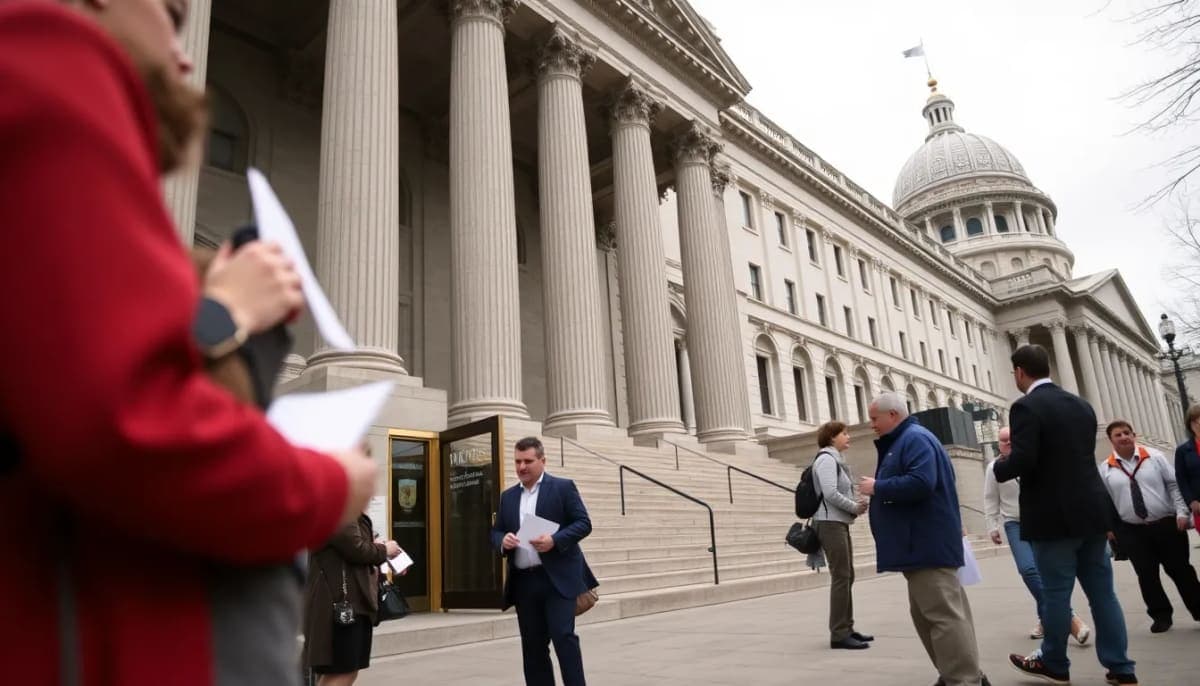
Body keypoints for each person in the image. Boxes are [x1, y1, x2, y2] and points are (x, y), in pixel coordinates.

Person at [0, 2, 377, 684]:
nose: (185, 53)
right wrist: (329, 482)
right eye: (172, 14)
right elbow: (124, 426)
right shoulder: (44, 54)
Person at [994, 345, 1137, 685]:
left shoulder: (1025, 407)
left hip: (1053, 517)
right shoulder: (1082, 406)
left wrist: (1001, 467)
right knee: (1104, 594)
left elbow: (1025, 459)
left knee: (1056, 593)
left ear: (1019, 372)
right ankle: (1121, 667)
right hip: (1091, 512)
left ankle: (1055, 662)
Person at [859, 393, 984, 686]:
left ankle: (963, 679)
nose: (871, 425)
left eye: (875, 418)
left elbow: (921, 482)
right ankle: (959, 674)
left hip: (926, 545)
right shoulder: (910, 440)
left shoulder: (914, 439)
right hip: (920, 545)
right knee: (931, 616)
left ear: (893, 415)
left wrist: (878, 487)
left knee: (943, 617)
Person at [490, 437, 596, 686]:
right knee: (533, 646)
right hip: (525, 582)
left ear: (542, 461)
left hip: (557, 580)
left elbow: (584, 523)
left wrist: (555, 540)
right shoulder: (508, 497)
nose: (522, 467)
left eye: (528, 461)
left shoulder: (562, 487)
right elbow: (495, 531)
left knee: (563, 637)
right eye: (517, 461)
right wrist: (501, 540)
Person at [984, 426, 1091, 644]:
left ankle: (1046, 619)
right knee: (1028, 569)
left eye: (1012, 440)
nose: (1009, 444)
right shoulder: (994, 467)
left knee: (1047, 573)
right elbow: (990, 497)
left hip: (1042, 521)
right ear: (998, 445)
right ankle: (1070, 618)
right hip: (1015, 523)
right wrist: (992, 526)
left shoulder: (1034, 459)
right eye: (1004, 441)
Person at [1099, 420, 1200, 633]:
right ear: (1111, 440)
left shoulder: (1154, 457)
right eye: (1118, 435)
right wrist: (1110, 529)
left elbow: (1174, 485)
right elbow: (1106, 500)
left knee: (1181, 570)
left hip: (1166, 524)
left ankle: (1198, 609)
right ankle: (1161, 615)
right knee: (1146, 574)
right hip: (1132, 530)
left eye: (1127, 433)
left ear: (1134, 435)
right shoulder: (1106, 468)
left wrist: (1182, 512)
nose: (1124, 437)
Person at [303, 501, 405, 685]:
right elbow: (357, 549)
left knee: (344, 672)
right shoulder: (341, 511)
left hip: (349, 603)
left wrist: (383, 552)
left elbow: (355, 548)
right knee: (343, 673)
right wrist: (385, 550)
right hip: (342, 606)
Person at [811, 421, 872, 650]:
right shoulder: (826, 459)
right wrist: (854, 507)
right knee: (841, 576)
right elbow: (830, 493)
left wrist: (853, 505)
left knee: (847, 575)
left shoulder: (836, 459)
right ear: (832, 437)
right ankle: (838, 633)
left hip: (838, 522)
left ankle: (847, 627)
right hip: (829, 523)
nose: (848, 436)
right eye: (844, 433)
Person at [1175, 404, 1200, 530]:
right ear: (1190, 425)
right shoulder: (1183, 451)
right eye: (1195, 421)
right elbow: (1181, 479)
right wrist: (1191, 501)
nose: (1199, 424)